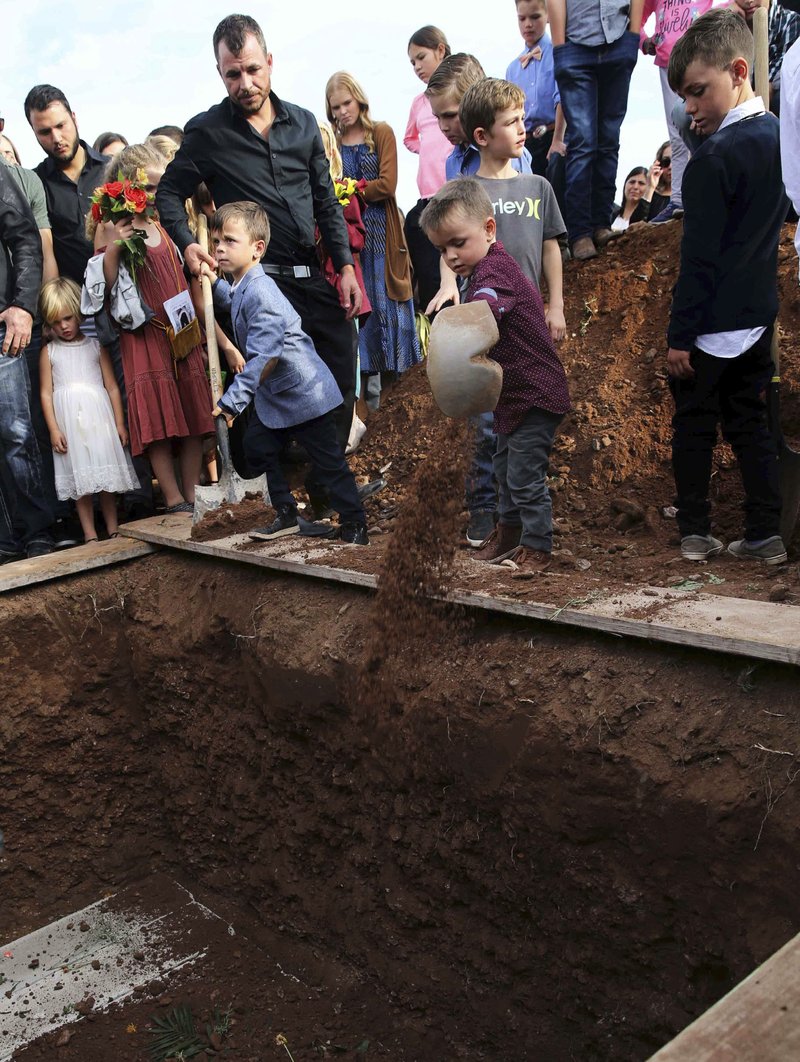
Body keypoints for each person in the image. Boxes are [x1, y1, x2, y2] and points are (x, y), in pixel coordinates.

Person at [155, 14, 362, 481]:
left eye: (252, 69)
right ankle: (269, 496)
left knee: (338, 371)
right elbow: (168, 193)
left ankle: (327, 486)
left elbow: (327, 202)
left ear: (269, 62)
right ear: (220, 73)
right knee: (265, 387)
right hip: (259, 289)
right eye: (233, 74)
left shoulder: (305, 125)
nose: (245, 83)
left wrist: (345, 267)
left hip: (312, 277)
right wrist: (188, 244)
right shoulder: (207, 132)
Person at [666, 8, 788, 564]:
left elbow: (700, 260)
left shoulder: (711, 159)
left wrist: (680, 335)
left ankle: (694, 529)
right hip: (760, 315)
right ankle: (765, 533)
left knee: (694, 426)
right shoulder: (781, 141)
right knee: (751, 426)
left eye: (697, 92)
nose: (690, 108)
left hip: (711, 323)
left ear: (738, 70)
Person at [421, 178, 570, 576]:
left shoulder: (495, 271)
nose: (451, 256)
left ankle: (538, 547)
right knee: (504, 470)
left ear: (489, 229)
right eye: (441, 249)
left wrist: (457, 326)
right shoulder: (480, 270)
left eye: (457, 242)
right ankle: (508, 535)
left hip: (536, 393)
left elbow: (488, 305)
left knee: (523, 478)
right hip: (513, 397)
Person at [203, 202, 368, 545]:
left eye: (230, 241)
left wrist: (233, 401)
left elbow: (266, 358)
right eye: (215, 241)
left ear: (257, 249)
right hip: (279, 396)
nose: (219, 248)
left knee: (328, 463)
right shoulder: (244, 284)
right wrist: (210, 282)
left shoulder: (261, 292)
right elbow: (233, 299)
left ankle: (355, 523)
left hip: (304, 393)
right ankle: (287, 513)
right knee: (258, 447)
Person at [457, 77, 568, 551]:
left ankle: (529, 538)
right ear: (482, 135)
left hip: (521, 320)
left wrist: (556, 304)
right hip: (484, 322)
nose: (524, 128)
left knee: (517, 433)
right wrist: (448, 293)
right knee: (492, 429)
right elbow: (453, 249)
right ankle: (495, 520)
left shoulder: (537, 184)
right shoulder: (468, 189)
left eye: (524, 118)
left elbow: (550, 248)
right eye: (513, 122)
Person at [94, 144, 214, 513]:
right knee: (159, 419)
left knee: (194, 411)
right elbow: (104, 286)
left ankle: (193, 491)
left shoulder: (164, 225)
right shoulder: (111, 229)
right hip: (145, 336)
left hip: (181, 331)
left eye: (160, 187)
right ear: (127, 187)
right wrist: (116, 245)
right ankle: (173, 497)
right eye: (148, 188)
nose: (154, 195)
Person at [325, 71, 420, 405]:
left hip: (382, 230)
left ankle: (403, 397)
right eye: (335, 107)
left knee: (389, 303)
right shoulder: (331, 143)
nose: (342, 112)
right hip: (349, 236)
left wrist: (350, 191)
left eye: (346, 103)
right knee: (361, 308)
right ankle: (367, 404)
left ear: (359, 99)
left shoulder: (380, 132)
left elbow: (387, 185)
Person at [38, 278, 138, 542]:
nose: (63, 326)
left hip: (99, 422)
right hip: (70, 426)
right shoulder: (49, 352)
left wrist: (119, 423)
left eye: (68, 318)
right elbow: (45, 393)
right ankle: (90, 534)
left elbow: (113, 387)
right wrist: (53, 428)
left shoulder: (96, 347)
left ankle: (113, 527)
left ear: (78, 312)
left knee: (105, 477)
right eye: (56, 322)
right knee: (81, 482)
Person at [549, 0, 644, 260]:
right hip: (575, 46)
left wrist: (633, 35)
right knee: (582, 140)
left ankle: (601, 223)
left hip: (618, 39)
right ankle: (580, 233)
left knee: (609, 137)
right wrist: (560, 47)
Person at [0, 164, 53, 561]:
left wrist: (22, 304)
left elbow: (25, 238)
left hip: (3, 324)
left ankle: (37, 533)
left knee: (18, 433)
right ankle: (4, 541)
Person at [24, 85, 110, 286]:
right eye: (45, 132)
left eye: (61, 126)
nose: (56, 138)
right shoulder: (36, 185)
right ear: (34, 133)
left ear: (74, 118)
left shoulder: (112, 169)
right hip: (73, 307)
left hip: (125, 297)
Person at [641, 1, 716, 222]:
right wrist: (643, 41)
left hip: (700, 58)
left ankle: (709, 194)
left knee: (707, 125)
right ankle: (678, 199)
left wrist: (734, 8)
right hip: (668, 62)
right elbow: (638, 15)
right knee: (676, 132)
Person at [404, 26, 454, 311]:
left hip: (455, 191)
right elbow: (409, 138)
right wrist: (427, 150)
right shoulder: (418, 103)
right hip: (428, 195)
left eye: (421, 57)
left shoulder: (460, 92)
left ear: (440, 50)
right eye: (412, 62)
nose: (417, 66)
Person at [505, 0, 567, 176]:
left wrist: (557, 140)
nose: (528, 25)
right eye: (522, 18)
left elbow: (561, 98)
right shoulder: (513, 69)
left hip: (554, 137)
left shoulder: (558, 54)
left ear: (548, 16)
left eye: (535, 17)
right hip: (525, 144)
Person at [610, 165, 657, 230]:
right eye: (632, 182)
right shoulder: (610, 213)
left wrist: (651, 188)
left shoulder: (650, 220)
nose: (635, 187)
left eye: (641, 183)